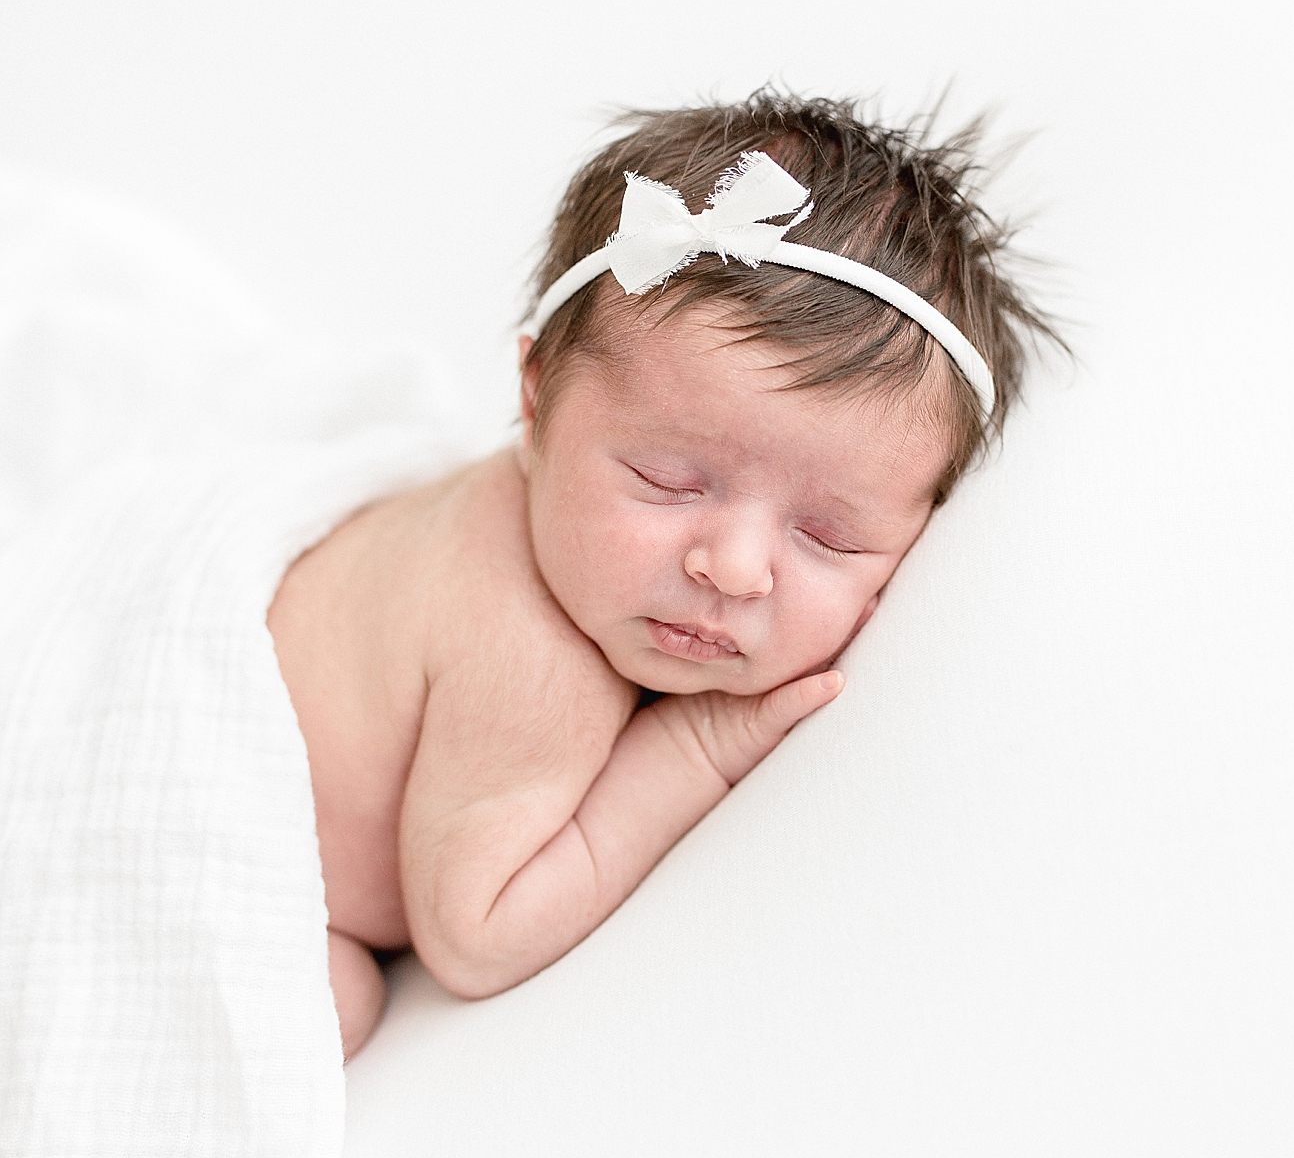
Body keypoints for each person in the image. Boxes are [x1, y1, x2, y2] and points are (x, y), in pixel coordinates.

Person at [267, 90, 1059, 1058]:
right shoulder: (531, 657)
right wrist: (698, 748)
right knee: (325, 1002)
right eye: (666, 479)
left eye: (828, 536)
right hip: (226, 833)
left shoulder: (572, 544)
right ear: (533, 401)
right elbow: (473, 938)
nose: (732, 568)